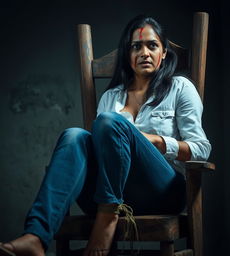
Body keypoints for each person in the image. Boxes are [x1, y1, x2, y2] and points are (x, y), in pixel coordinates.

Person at [0, 14, 211, 256]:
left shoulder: (180, 88)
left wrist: (153, 141)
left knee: (110, 121)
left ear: (163, 53)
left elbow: (202, 148)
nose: (144, 52)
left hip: (162, 192)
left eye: (152, 45)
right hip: (109, 191)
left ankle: (107, 218)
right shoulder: (111, 97)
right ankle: (35, 236)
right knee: (74, 135)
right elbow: (100, 155)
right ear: (127, 54)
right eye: (136, 46)